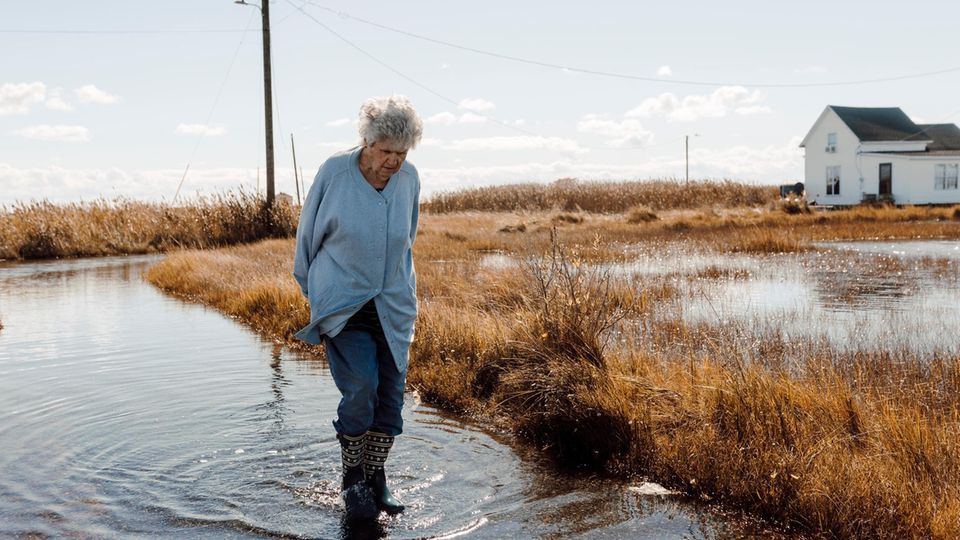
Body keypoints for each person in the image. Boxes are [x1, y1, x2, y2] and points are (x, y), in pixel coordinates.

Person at [292, 95, 422, 520]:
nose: (394, 162)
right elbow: (307, 236)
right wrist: (315, 294)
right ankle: (352, 478)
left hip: (392, 305)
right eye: (386, 151)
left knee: (390, 398)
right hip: (343, 304)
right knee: (361, 387)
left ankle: (377, 477)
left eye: (401, 153)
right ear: (366, 142)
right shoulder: (334, 172)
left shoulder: (410, 179)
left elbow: (408, 239)